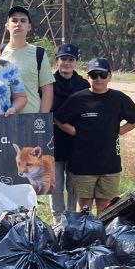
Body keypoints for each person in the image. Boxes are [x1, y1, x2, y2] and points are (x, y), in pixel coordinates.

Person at [54, 58, 135, 214]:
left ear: (109, 77)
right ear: (88, 78)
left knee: (105, 206)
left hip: (110, 165)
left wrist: (121, 130)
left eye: (102, 75)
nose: (98, 79)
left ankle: (102, 236)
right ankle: (83, 236)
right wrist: (73, 131)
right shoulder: (78, 98)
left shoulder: (119, 98)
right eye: (94, 75)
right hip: (82, 165)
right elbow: (59, 118)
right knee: (84, 207)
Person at [50, 43, 89, 215]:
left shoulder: (83, 84)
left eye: (71, 60)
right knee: (56, 184)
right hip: (54, 141)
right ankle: (58, 219)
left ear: (76, 62)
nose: (67, 63)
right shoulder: (48, 83)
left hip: (76, 142)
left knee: (73, 184)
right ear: (57, 61)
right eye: (63, 59)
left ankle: (72, 217)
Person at [2, 5, 54, 114]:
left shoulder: (38, 53)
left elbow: (47, 89)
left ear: (29, 27)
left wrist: (42, 118)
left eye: (23, 21)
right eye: (14, 20)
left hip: (32, 119)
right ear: (7, 26)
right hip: (2, 120)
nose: (18, 24)